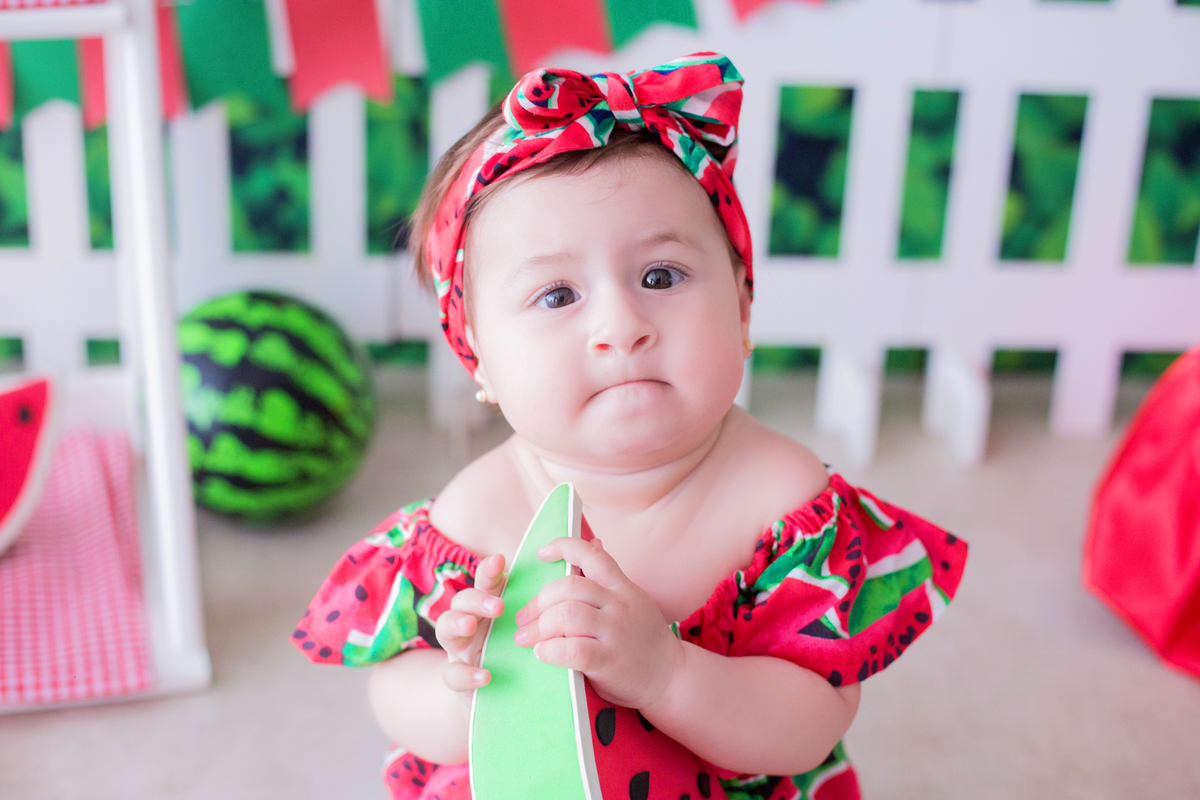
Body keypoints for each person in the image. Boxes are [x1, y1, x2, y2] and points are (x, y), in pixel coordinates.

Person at [293, 52, 967, 800]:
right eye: (557, 296)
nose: (621, 325)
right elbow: (391, 690)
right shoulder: (475, 518)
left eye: (660, 277)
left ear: (742, 307)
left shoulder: (782, 504)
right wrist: (463, 689)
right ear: (476, 357)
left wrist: (667, 672)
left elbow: (811, 724)